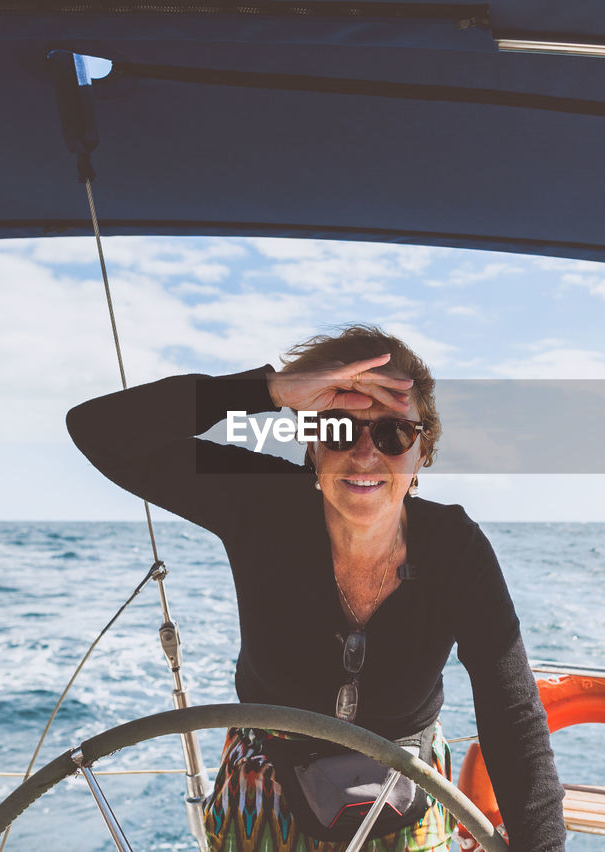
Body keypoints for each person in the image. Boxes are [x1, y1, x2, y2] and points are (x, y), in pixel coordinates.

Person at [67, 324, 565, 852]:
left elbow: (512, 715)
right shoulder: (260, 505)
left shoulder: (455, 549)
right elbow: (98, 430)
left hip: (404, 788)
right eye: (340, 431)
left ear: (423, 453)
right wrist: (268, 390)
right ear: (311, 445)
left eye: (395, 434)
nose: (366, 453)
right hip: (266, 788)